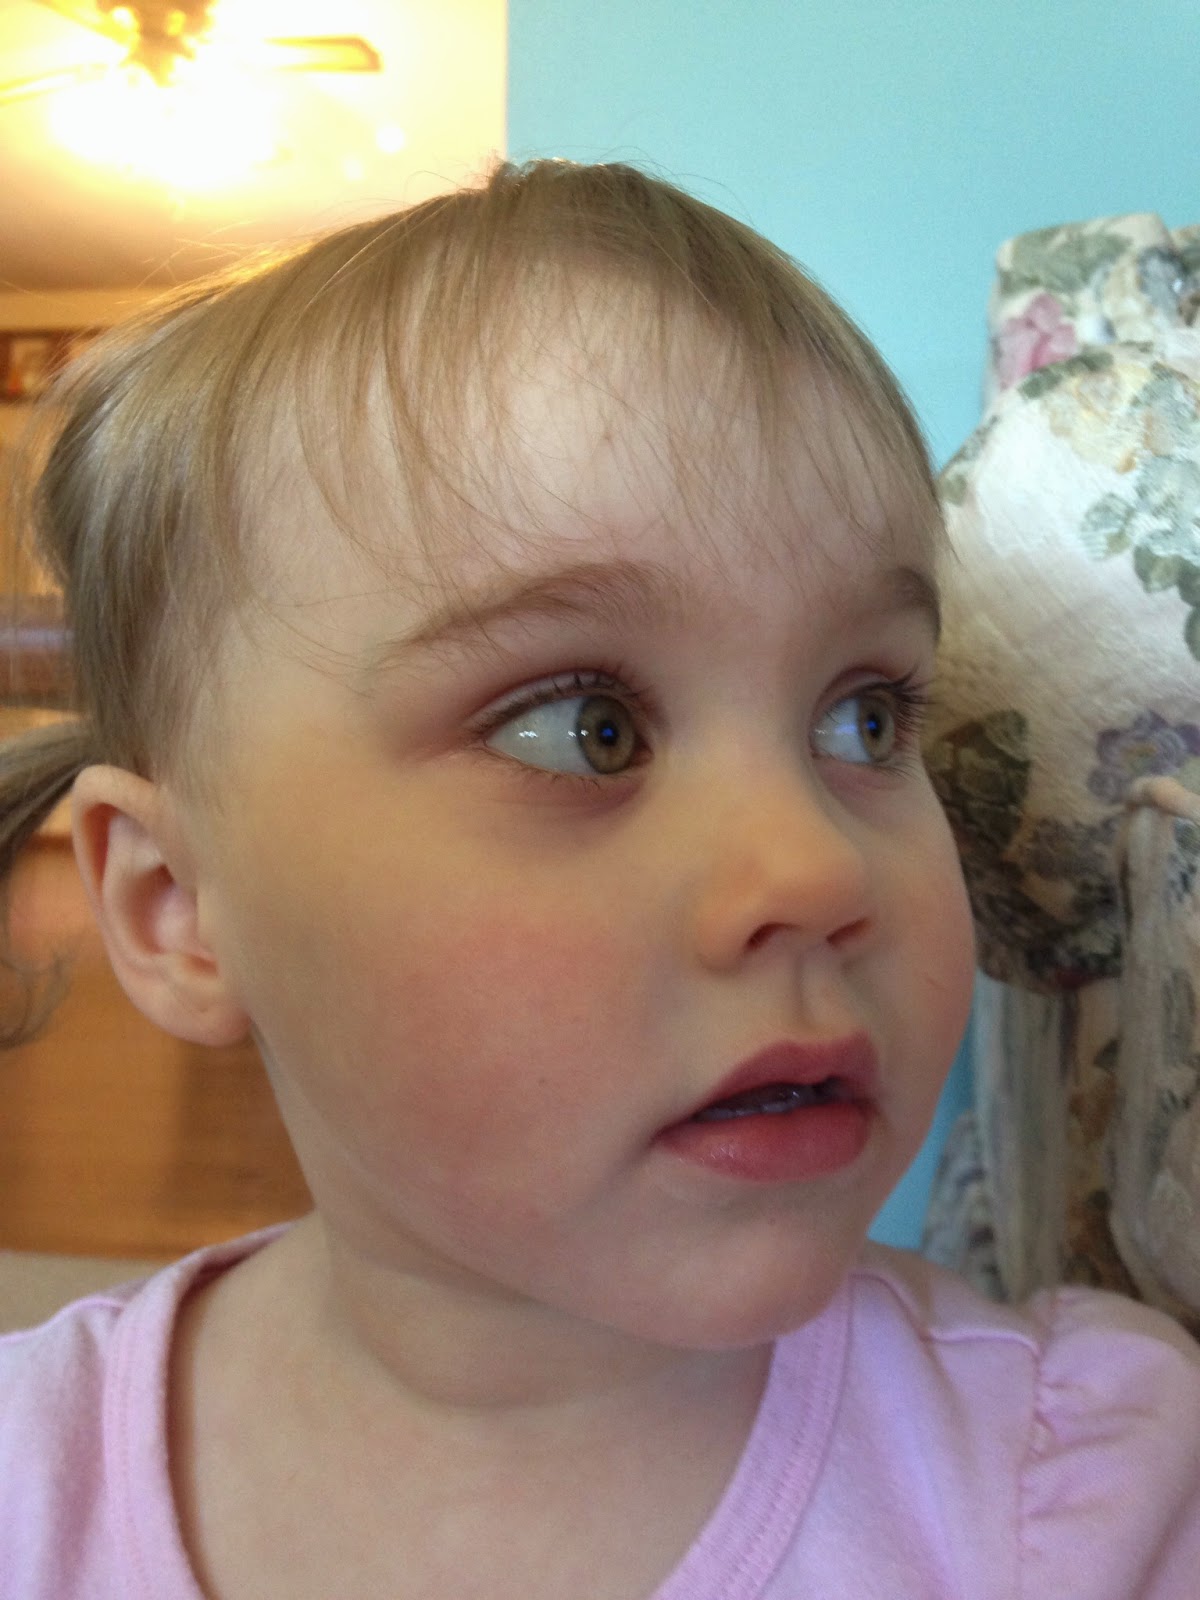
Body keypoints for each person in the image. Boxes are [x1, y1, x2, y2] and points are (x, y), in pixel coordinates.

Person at [0, 160, 1197, 1600]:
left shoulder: (1083, 1494)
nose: (815, 867)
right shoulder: (29, 1486)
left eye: (867, 720)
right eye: (588, 730)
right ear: (178, 911)